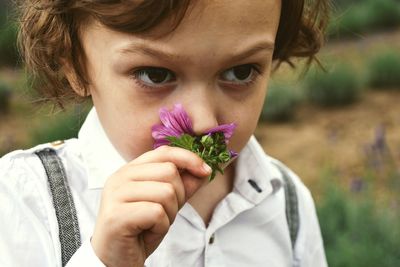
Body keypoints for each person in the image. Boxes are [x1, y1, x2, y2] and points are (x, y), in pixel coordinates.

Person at [0, 0, 330, 266]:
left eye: (240, 72)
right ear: (72, 62)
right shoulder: (24, 202)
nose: (202, 122)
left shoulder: (285, 199)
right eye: (156, 75)